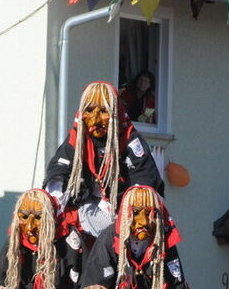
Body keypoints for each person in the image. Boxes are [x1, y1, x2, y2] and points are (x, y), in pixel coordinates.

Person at [44, 81, 163, 241]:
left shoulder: (129, 139)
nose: (96, 119)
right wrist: (51, 206)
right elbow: (58, 176)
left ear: (115, 112)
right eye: (90, 110)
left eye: (104, 111)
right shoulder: (76, 139)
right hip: (83, 208)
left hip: (122, 213)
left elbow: (144, 179)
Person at [79, 185, 189, 289]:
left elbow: (178, 287)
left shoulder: (164, 241)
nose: (143, 221)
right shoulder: (108, 240)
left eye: (148, 213)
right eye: (136, 213)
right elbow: (93, 288)